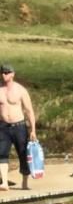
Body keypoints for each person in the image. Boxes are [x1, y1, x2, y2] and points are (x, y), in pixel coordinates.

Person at [0, 63, 37, 191]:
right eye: (2, 72)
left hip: (19, 126)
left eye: (7, 72)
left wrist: (33, 130)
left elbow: (29, 111)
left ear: (13, 74)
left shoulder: (20, 90)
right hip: (3, 127)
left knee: (23, 154)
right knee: (2, 153)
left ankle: (25, 183)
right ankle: (4, 183)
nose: (4, 74)